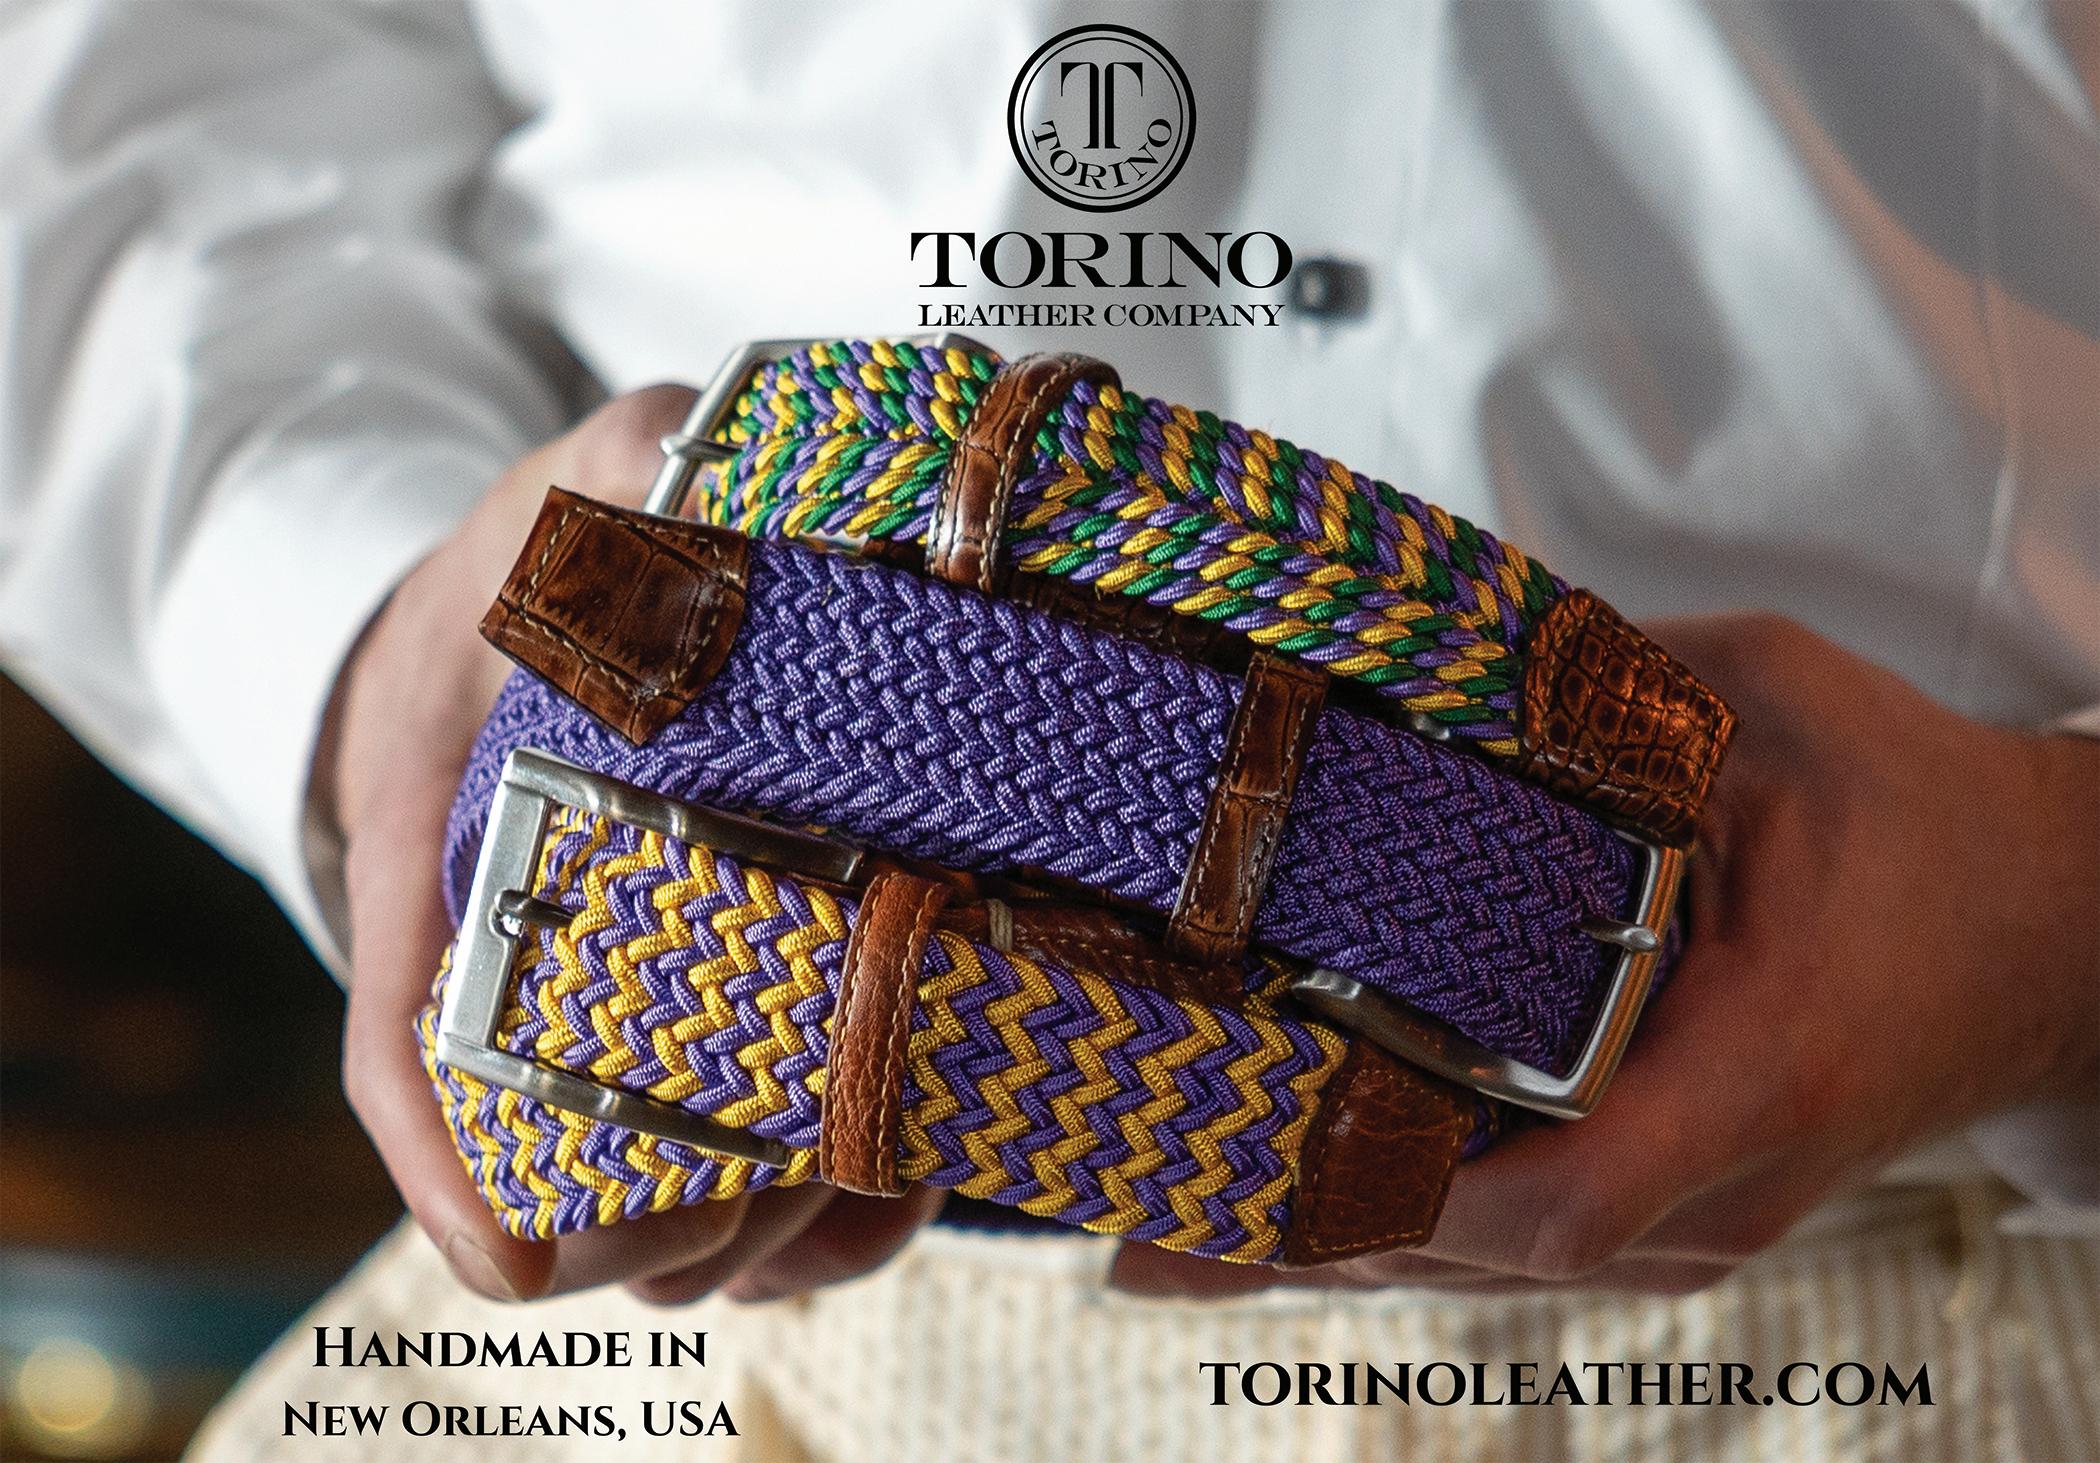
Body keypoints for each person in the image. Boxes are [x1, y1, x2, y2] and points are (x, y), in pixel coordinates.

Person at [4, 2, 2095, 1458]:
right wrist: (358, 612)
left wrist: (2056, 909)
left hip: (1947, 1255)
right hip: (695, 1144)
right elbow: (161, 97)